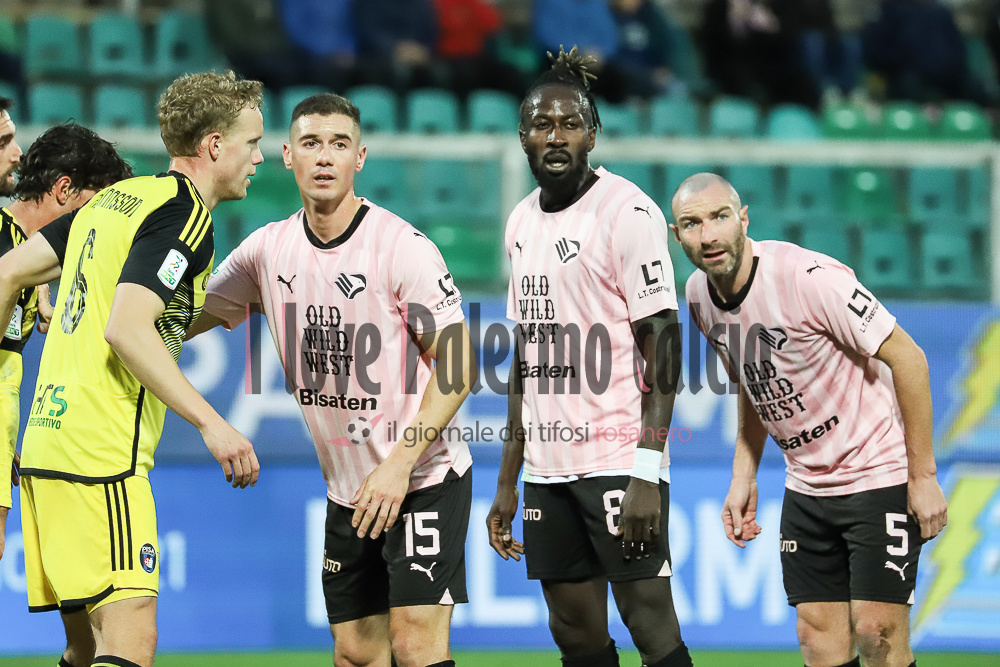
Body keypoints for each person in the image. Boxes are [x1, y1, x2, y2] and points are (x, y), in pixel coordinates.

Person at [189, 92, 476, 667]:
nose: (325, 157)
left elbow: (460, 366)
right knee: (356, 654)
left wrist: (399, 466)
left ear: (360, 157)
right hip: (347, 489)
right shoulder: (266, 252)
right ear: (287, 157)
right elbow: (181, 318)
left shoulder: (401, 248)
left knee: (417, 644)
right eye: (311, 144)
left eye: (339, 144)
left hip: (421, 475)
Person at [0, 71, 264, 667]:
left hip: (45, 443)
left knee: (84, 646)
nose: (260, 156)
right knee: (131, 642)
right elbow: (126, 329)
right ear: (214, 146)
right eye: (251, 143)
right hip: (103, 452)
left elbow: (8, 271)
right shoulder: (184, 216)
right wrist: (210, 423)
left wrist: (213, 311)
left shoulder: (123, 199)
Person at [670, 172, 948, 667]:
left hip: (876, 471)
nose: (708, 234)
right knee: (817, 637)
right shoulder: (697, 296)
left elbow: (910, 359)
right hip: (807, 487)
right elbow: (751, 381)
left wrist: (923, 475)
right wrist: (743, 473)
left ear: (744, 219)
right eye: (692, 224)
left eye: (720, 217)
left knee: (876, 631)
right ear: (677, 235)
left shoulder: (807, 278)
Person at [486, 47, 693, 667]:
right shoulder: (520, 222)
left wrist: (647, 472)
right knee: (574, 632)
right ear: (522, 134)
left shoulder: (626, 213)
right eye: (542, 124)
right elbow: (529, 355)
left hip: (615, 459)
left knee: (649, 623)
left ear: (593, 133)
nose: (557, 136)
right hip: (546, 469)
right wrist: (507, 481)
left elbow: (664, 342)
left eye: (570, 124)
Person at [0, 122, 133, 667]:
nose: (98, 226)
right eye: (94, 209)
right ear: (64, 192)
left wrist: (42, 309)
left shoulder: (27, 261)